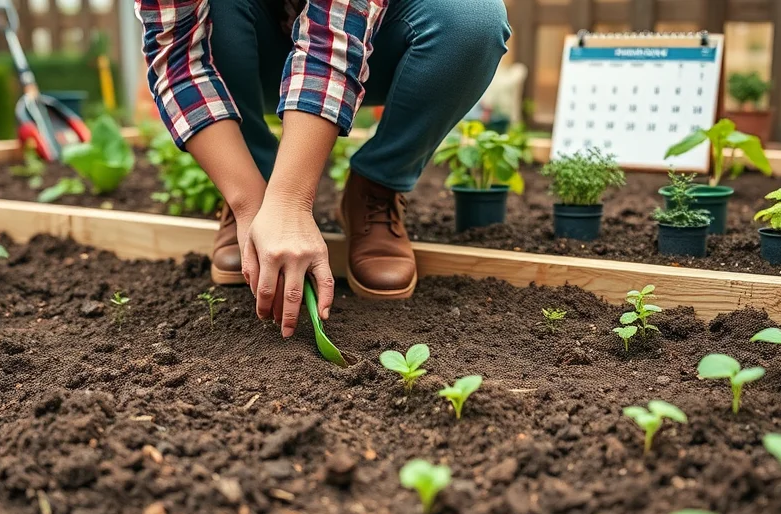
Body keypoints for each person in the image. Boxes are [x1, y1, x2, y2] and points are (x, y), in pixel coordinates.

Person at [136, 0, 510, 338]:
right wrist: (253, 204)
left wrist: (290, 202)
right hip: (248, 44)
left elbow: (332, 40)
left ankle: (375, 189)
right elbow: (178, 58)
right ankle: (254, 190)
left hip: (381, 39)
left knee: (473, 20)